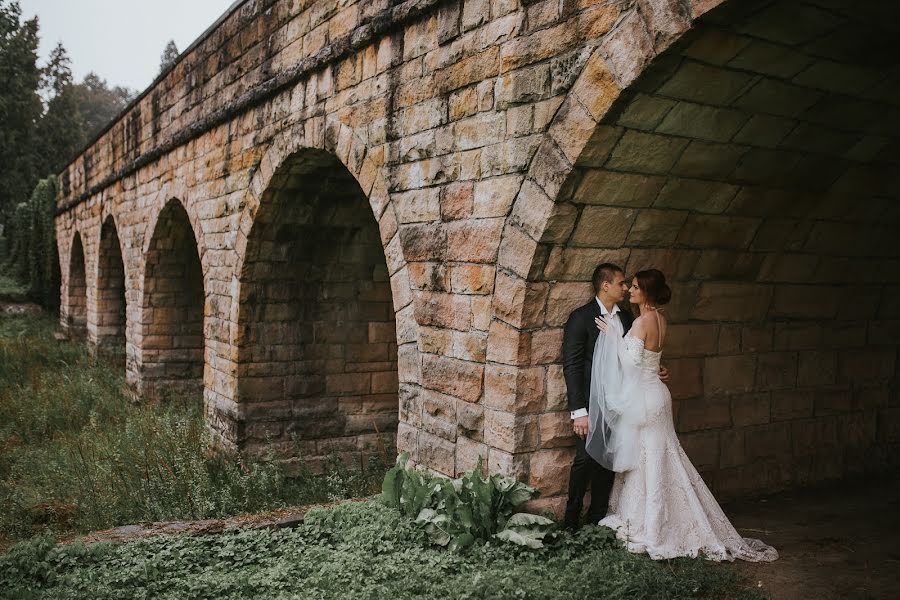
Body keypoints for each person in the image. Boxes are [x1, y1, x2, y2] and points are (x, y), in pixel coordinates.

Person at [590, 268, 777, 562]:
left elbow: (630, 365)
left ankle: (652, 528)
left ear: (647, 292)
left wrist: (614, 336)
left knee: (649, 458)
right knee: (661, 455)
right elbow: (651, 361)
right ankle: (661, 518)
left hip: (645, 400)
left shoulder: (641, 322)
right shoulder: (661, 320)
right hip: (658, 395)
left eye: (636, 287)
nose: (630, 291)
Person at [561, 263, 668, 530]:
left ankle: (597, 519)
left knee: (610, 462)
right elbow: (572, 365)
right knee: (584, 460)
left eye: (627, 285)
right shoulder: (581, 317)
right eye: (621, 283)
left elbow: (636, 355)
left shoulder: (629, 319)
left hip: (623, 404)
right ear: (605, 285)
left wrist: (655, 369)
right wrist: (579, 411)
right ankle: (570, 523)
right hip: (590, 405)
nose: (625, 287)